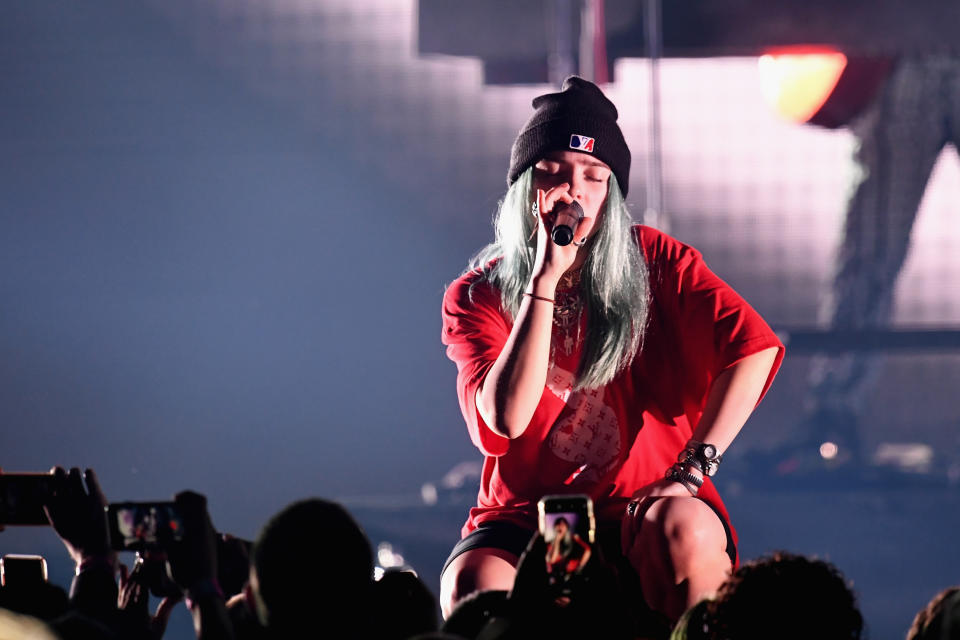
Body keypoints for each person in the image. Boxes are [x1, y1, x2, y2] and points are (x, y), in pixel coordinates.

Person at [439, 76, 784, 628]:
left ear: (612, 194)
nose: (573, 192)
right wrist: (544, 280)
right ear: (524, 188)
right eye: (552, 172)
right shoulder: (478, 295)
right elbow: (504, 418)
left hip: (636, 510)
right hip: (531, 519)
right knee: (475, 584)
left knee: (685, 531)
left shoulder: (656, 261)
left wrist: (692, 469)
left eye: (594, 177)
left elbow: (753, 348)